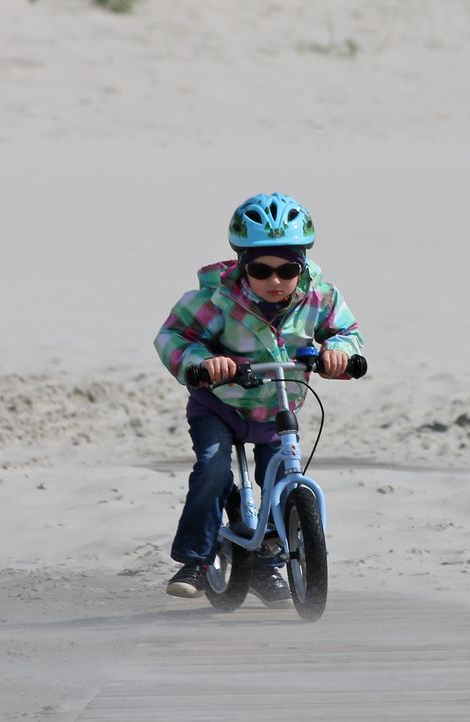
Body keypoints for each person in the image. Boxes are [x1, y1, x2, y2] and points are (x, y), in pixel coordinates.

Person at [154, 192, 363, 600]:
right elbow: (174, 336)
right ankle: (196, 559)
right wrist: (204, 362)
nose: (275, 281)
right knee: (214, 470)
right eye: (261, 270)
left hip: (277, 407)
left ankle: (269, 563)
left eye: (287, 269)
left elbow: (346, 333)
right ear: (241, 265)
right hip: (220, 404)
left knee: (285, 476)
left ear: (301, 264)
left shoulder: (319, 298)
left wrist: (339, 355)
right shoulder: (216, 300)